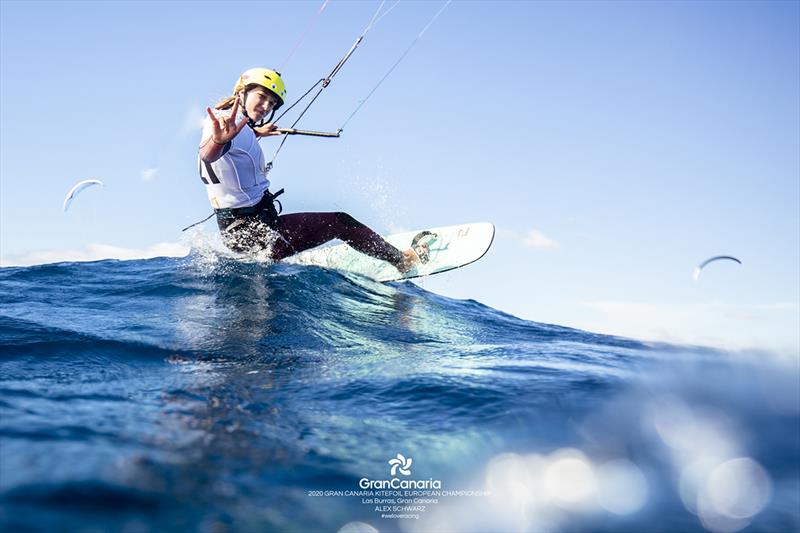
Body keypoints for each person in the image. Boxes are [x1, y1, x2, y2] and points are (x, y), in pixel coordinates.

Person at [198, 67, 418, 272]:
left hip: (239, 229)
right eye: (261, 97)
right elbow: (209, 155)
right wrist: (217, 142)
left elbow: (234, 147)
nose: (266, 107)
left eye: (272, 103)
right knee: (340, 222)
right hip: (255, 229)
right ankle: (403, 261)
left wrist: (256, 133)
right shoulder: (225, 124)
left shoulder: (236, 124)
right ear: (242, 93)